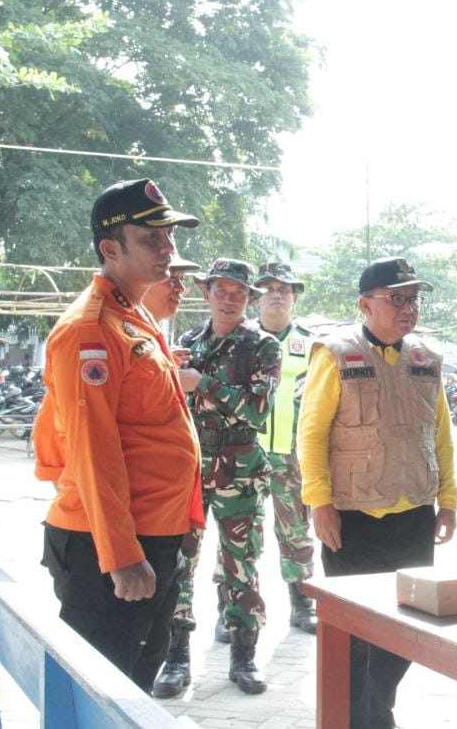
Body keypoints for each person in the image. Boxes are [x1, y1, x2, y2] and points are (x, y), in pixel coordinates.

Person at [33, 178, 203, 691]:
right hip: (107, 547)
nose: (167, 250)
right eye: (152, 239)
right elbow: (92, 451)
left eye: (170, 238)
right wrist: (122, 556)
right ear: (111, 248)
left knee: (133, 685)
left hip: (152, 532)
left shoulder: (134, 316)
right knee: (95, 697)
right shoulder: (91, 329)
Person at [297, 256, 457, 729]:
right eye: (397, 298)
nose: (408, 307)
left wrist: (448, 499)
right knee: (352, 635)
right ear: (365, 304)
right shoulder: (334, 354)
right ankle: (355, 720)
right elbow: (310, 435)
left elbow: (441, 434)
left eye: (413, 298)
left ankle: (376, 711)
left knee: (403, 632)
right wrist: (320, 504)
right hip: (352, 519)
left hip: (413, 517)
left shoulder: (425, 359)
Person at [153, 258, 280, 697]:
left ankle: (244, 657)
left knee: (240, 566)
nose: (228, 299)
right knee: (180, 561)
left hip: (240, 469)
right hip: (188, 468)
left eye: (238, 293)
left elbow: (258, 410)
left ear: (249, 300)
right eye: (221, 290)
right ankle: (175, 657)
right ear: (206, 293)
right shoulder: (187, 341)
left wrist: (201, 382)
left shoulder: (262, 346)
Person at [249, 262, 318, 633]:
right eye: (268, 288)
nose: (276, 294)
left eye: (284, 288)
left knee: (296, 531)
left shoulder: (310, 344)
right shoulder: (239, 340)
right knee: (241, 533)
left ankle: (302, 600)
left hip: (292, 454)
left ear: (294, 297)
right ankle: (234, 606)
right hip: (244, 454)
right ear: (256, 297)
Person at [141, 254, 201, 323]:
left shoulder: (148, 330)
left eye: (182, 278)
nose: (181, 288)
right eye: (171, 277)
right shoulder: (127, 330)